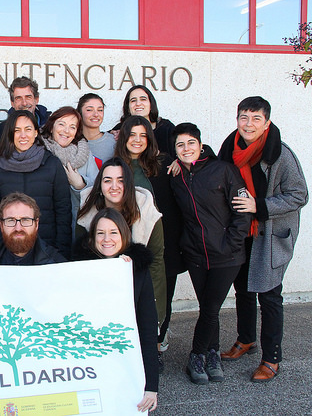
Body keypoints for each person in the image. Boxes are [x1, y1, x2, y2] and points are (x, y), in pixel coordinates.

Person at [218, 96, 308, 382]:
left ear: (266, 122)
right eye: (244, 117)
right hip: (241, 232)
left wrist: (260, 206)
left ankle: (271, 358)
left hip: (269, 235)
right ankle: (246, 340)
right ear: (237, 119)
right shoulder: (228, 148)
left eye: (256, 118)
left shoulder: (280, 153)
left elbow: (299, 194)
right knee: (243, 290)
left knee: (269, 296)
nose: (249, 123)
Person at [170, 123, 251, 385]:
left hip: (226, 255)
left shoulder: (224, 170)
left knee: (210, 307)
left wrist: (232, 243)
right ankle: (213, 353)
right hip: (195, 254)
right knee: (209, 308)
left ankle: (196, 355)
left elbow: (243, 211)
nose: (186, 149)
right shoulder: (176, 175)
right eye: (180, 145)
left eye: (190, 143)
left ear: (200, 144)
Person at [114, 115, 186, 368]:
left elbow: (197, 152)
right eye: (132, 135)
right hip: (124, 243)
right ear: (124, 137)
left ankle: (154, 346)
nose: (137, 140)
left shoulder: (162, 164)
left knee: (157, 291)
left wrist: (183, 160)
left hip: (158, 239)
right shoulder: (115, 166)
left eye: (143, 135)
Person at [74, 208, 158, 413]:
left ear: (124, 235)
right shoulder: (78, 270)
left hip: (124, 360)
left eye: (113, 232)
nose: (106, 239)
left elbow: (147, 330)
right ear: (92, 238)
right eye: (100, 233)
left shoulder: (137, 270)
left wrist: (151, 387)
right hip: (89, 363)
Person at [77, 157, 166, 341]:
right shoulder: (88, 210)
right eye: (107, 180)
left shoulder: (146, 208)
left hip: (139, 286)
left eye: (121, 180)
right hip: (102, 290)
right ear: (100, 186)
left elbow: (156, 260)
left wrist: (155, 312)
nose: (114, 186)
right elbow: (81, 259)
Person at [0, 110, 72, 258]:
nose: (23, 135)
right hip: (9, 248)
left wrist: (61, 251)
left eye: (28, 129)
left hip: (47, 249)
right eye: (17, 130)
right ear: (10, 134)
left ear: (36, 132)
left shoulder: (52, 164)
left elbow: (63, 210)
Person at [40, 106, 99, 228]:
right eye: (61, 124)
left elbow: (99, 190)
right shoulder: (38, 149)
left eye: (72, 127)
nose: (66, 131)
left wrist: (80, 185)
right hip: (45, 224)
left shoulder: (84, 154)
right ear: (51, 127)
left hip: (77, 224)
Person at [0, 193, 66, 265]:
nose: (18, 228)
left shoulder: (56, 264)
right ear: (1, 225)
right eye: (11, 220)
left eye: (25, 220)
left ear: (36, 224)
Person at [111, 85, 175, 155]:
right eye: (133, 100)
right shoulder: (121, 128)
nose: (138, 104)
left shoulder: (166, 128)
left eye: (143, 99)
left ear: (151, 104)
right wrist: (111, 135)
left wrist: (176, 162)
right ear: (128, 108)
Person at [76, 93, 115, 169]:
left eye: (100, 110)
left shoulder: (114, 142)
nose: (96, 114)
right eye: (89, 110)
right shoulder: (72, 142)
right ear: (79, 113)